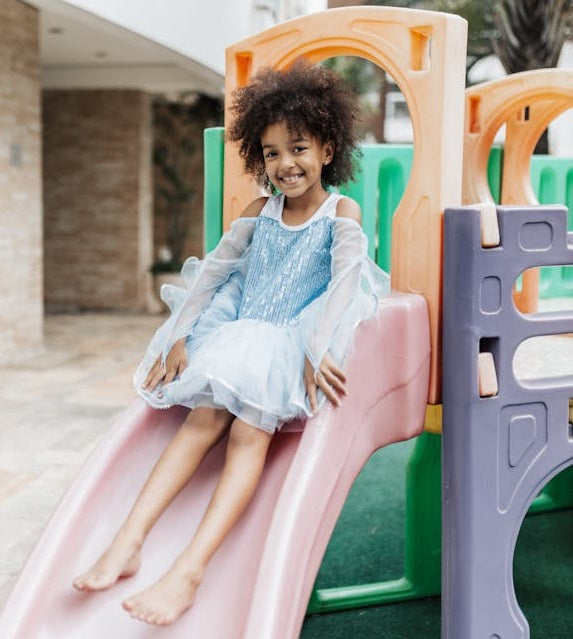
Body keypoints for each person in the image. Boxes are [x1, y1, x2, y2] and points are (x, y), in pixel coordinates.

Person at [72, 59, 389, 626]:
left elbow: (344, 287)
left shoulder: (342, 212)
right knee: (202, 420)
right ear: (257, 158)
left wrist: (317, 350)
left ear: (326, 148)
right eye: (271, 153)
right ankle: (129, 539)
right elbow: (216, 273)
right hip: (237, 335)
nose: (285, 164)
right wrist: (179, 335)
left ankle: (190, 570)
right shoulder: (257, 211)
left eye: (298, 148)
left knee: (247, 435)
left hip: (287, 344)